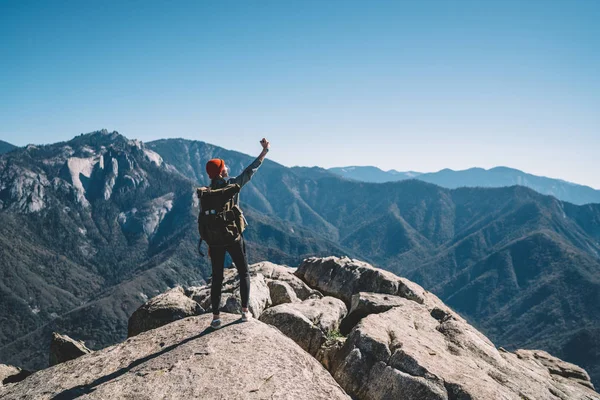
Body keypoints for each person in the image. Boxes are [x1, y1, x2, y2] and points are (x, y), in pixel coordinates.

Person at [204, 138, 270, 328]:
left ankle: (216, 318)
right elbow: (250, 171)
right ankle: (244, 312)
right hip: (233, 237)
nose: (227, 167)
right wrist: (264, 151)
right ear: (220, 171)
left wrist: (210, 242)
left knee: (217, 278)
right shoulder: (232, 185)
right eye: (224, 166)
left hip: (215, 241)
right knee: (244, 273)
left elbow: (207, 220)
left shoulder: (207, 193)